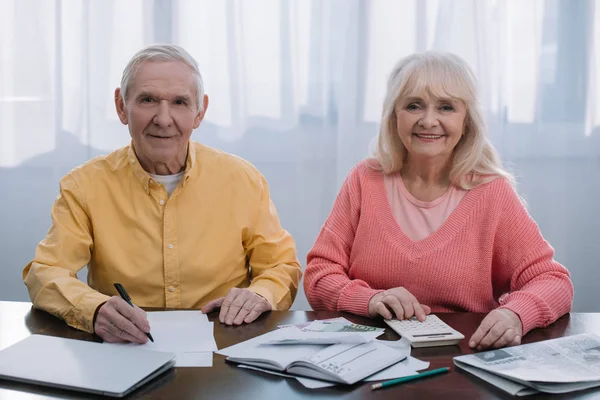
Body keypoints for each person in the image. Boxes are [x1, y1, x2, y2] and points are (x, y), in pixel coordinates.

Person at [23, 44, 302, 343]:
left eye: (180, 102)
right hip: (125, 346)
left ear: (200, 111)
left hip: (224, 346)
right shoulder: (83, 186)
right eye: (148, 100)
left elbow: (280, 266)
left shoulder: (243, 179)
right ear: (121, 106)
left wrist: (260, 294)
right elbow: (46, 273)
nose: (164, 118)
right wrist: (95, 309)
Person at [304, 52, 573, 350]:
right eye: (413, 105)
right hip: (367, 355)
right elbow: (320, 275)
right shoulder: (365, 179)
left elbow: (553, 282)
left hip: (462, 358)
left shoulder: (491, 191)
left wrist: (516, 314)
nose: (428, 121)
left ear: (466, 120)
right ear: (394, 115)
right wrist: (370, 299)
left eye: (446, 107)